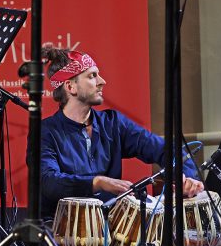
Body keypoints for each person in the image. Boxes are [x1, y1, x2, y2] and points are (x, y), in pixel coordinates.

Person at [31, 47, 204, 219]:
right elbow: (48, 181)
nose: (102, 81)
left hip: (110, 226)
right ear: (70, 86)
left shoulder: (113, 123)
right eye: (92, 76)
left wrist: (187, 178)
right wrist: (98, 182)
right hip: (59, 230)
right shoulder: (45, 132)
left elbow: (162, 149)